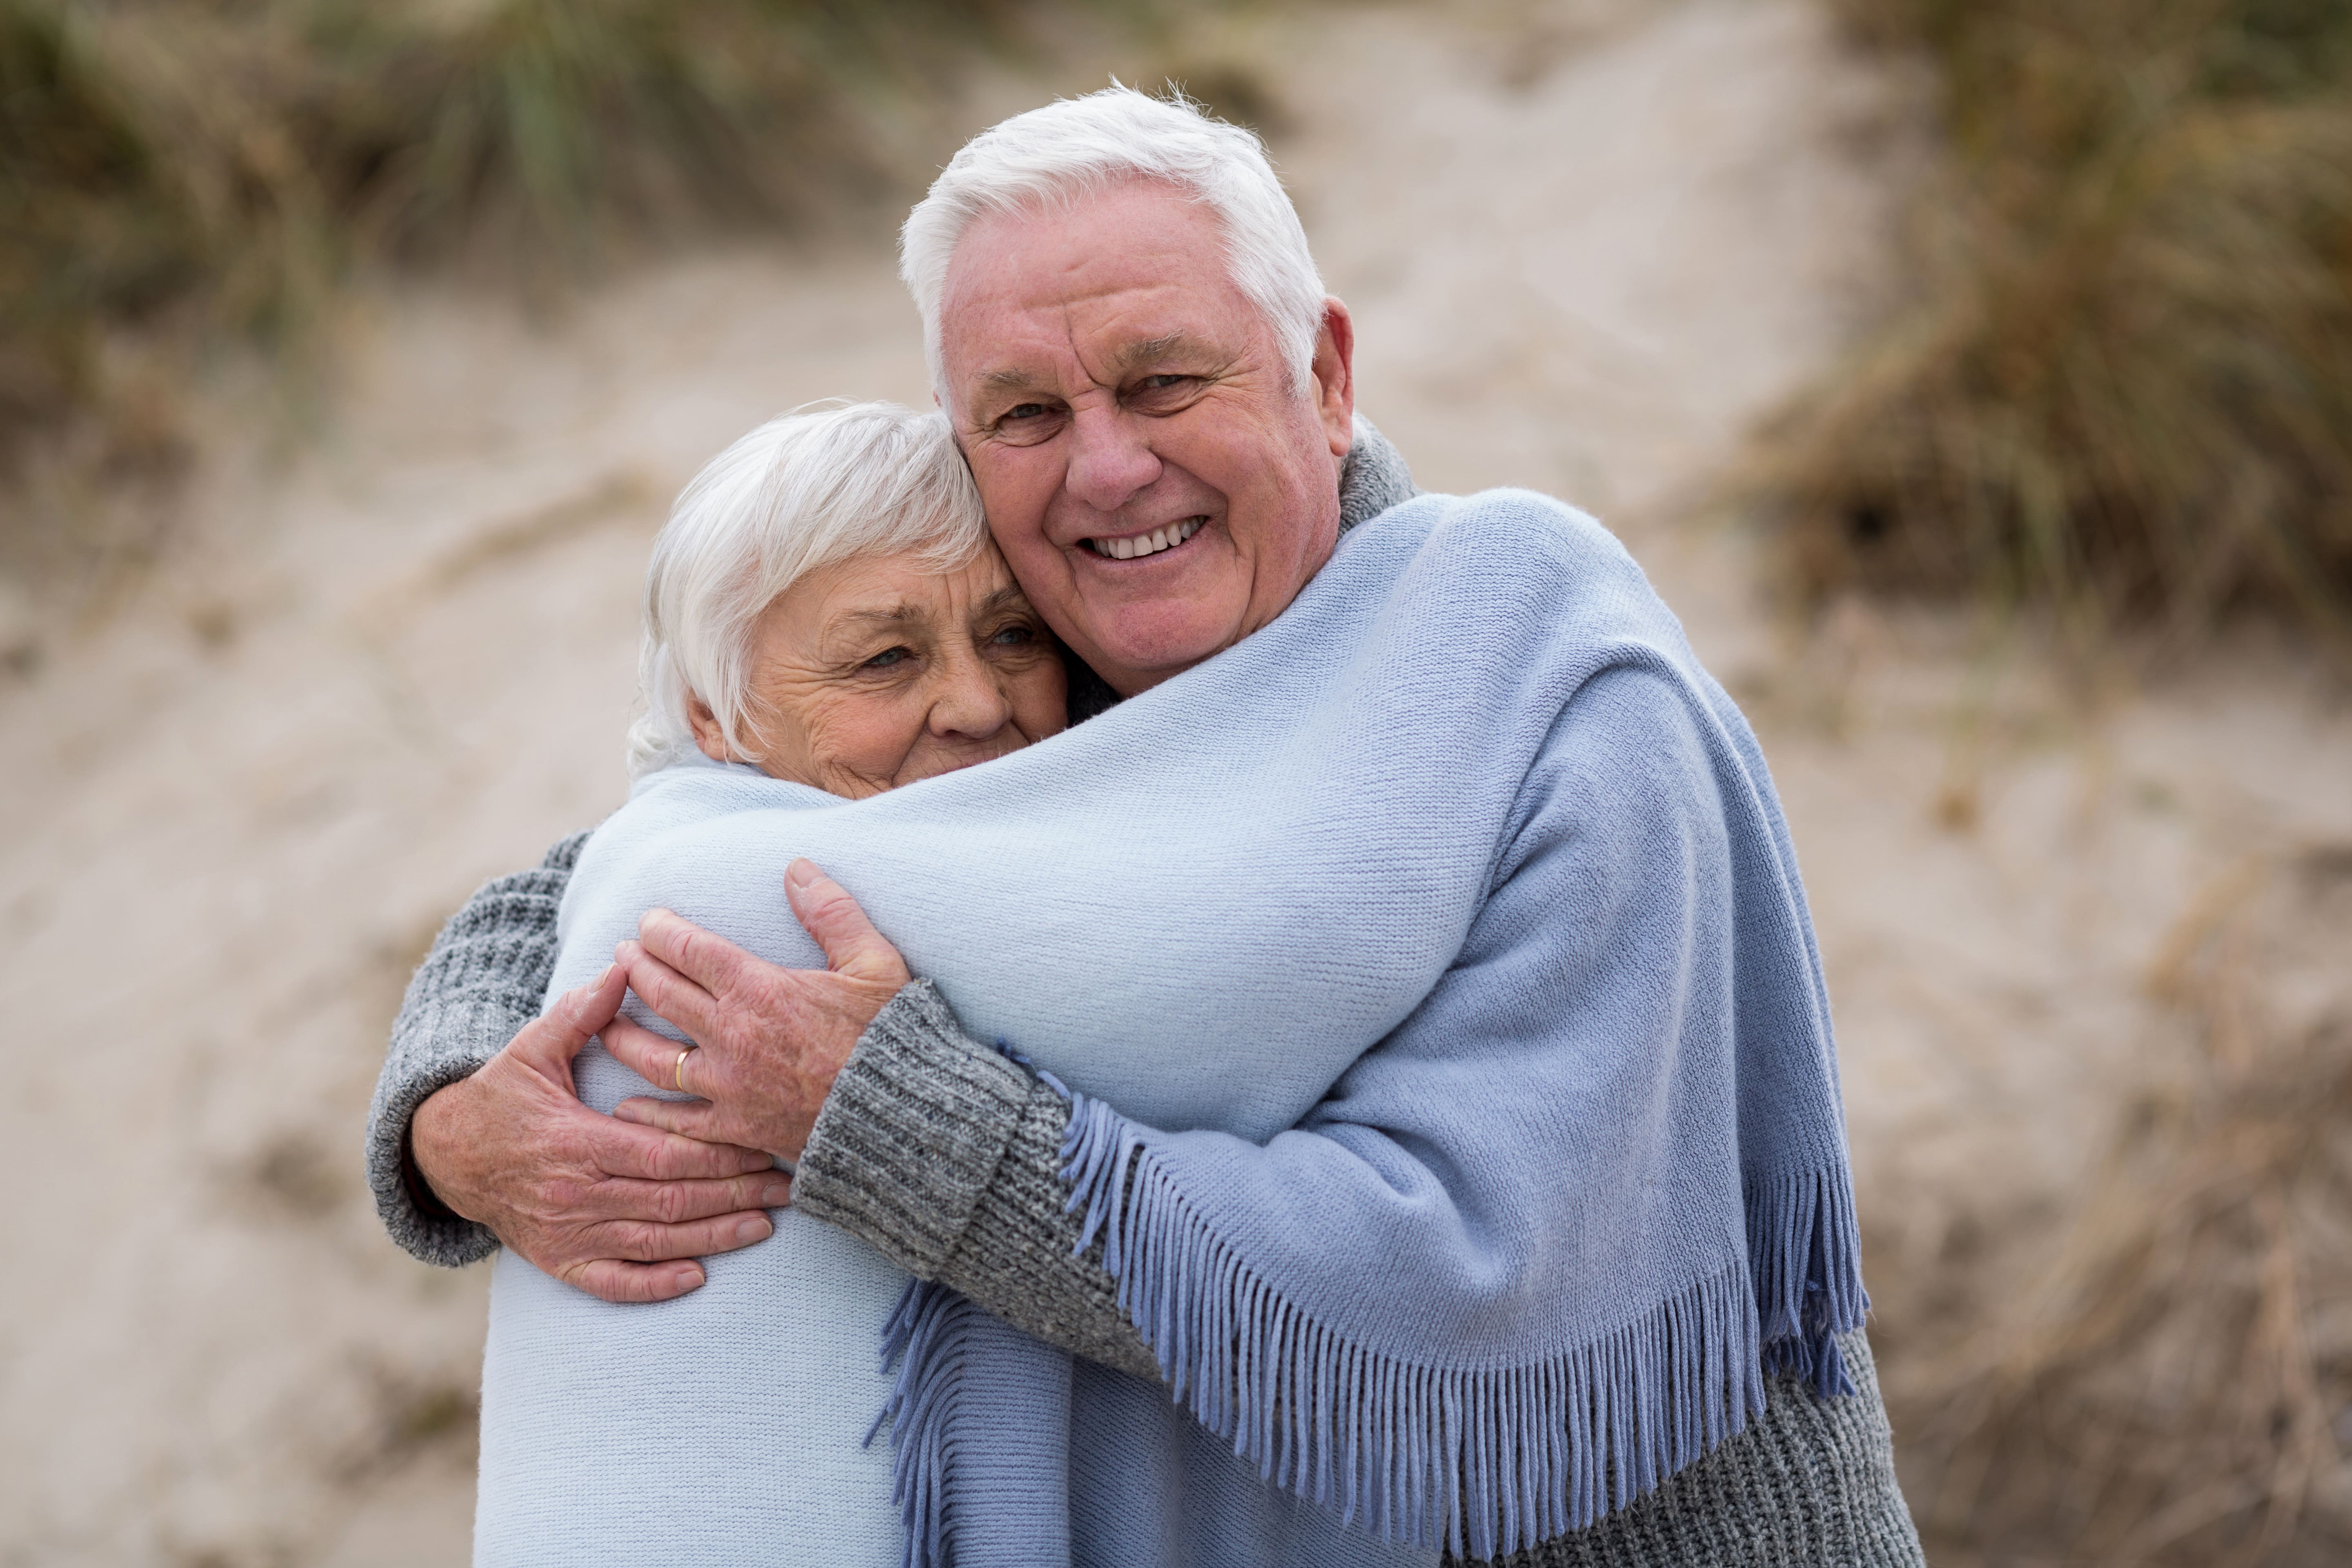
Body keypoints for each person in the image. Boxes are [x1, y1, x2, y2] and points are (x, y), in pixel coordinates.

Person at [369, 87, 1925, 1567]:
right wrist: (453, 1123)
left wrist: (900, 1118)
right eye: (1027, 413)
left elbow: (1463, 1296)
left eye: (1167, 380)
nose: (1109, 468)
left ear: (1323, 374)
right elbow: (626, 860)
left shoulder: (1543, 699)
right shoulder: (1061, 679)